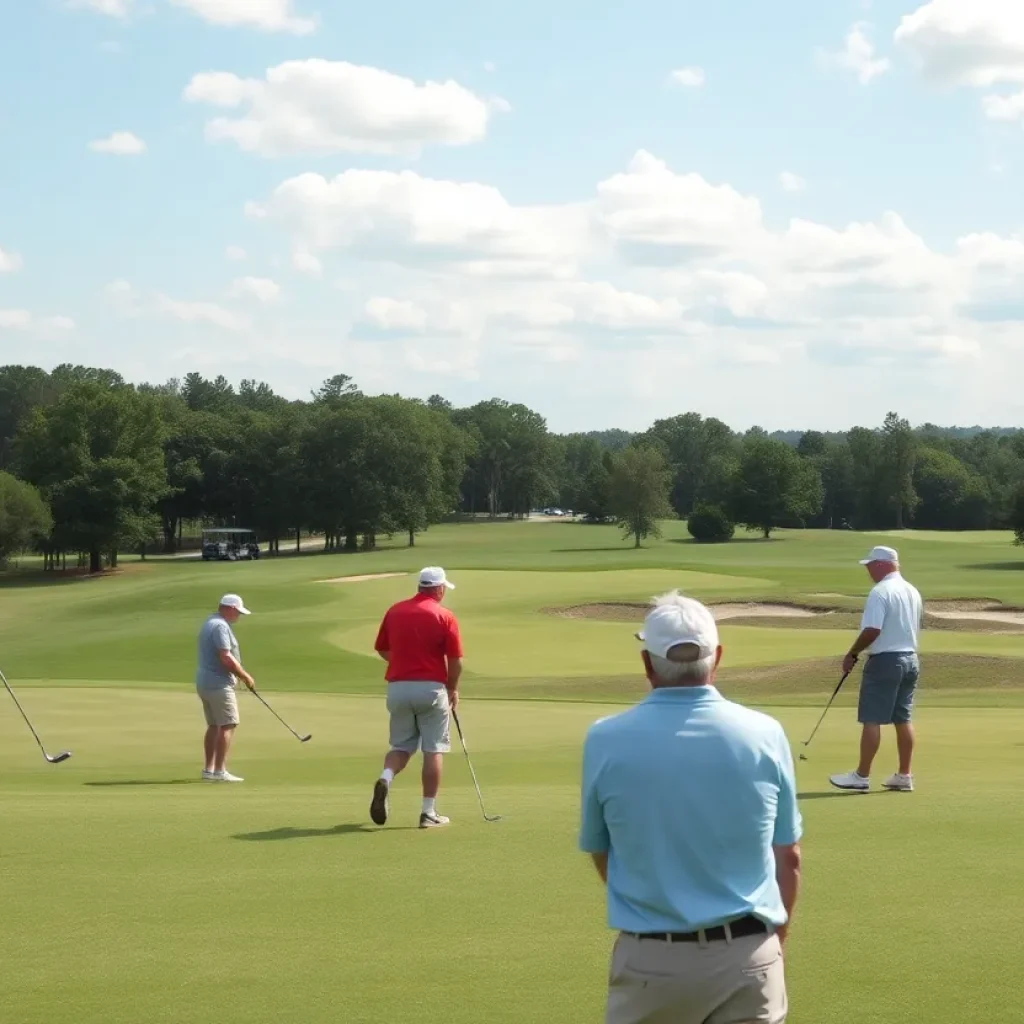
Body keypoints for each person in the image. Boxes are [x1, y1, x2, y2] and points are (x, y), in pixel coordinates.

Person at [579, 591, 802, 1024]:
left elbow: (603, 850)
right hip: (748, 954)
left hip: (651, 959)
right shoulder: (765, 734)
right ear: (716, 657)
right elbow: (788, 856)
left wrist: (655, 896)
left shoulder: (605, 737)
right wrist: (777, 942)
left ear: (647, 663)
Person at [370, 567, 463, 829]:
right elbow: (456, 661)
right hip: (430, 689)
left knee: (401, 747)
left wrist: (403, 663)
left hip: (398, 688)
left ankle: (386, 778)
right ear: (438, 589)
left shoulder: (395, 610)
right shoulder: (444, 615)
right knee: (433, 749)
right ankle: (428, 812)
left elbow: (382, 648)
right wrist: (452, 688)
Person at [830, 545, 923, 793]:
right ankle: (904, 775)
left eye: (871, 565)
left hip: (885, 661)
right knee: (903, 719)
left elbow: (873, 630)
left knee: (872, 718)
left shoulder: (880, 592)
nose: (868, 570)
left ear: (882, 564)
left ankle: (861, 776)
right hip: (910, 659)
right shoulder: (912, 590)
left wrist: (852, 652)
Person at [195, 593, 255, 783]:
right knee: (228, 724)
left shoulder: (209, 621)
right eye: (237, 612)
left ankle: (209, 769)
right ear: (229, 608)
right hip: (218, 683)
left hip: (205, 682)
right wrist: (244, 676)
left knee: (214, 725)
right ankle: (220, 771)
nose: (238, 616)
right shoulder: (220, 626)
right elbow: (226, 657)